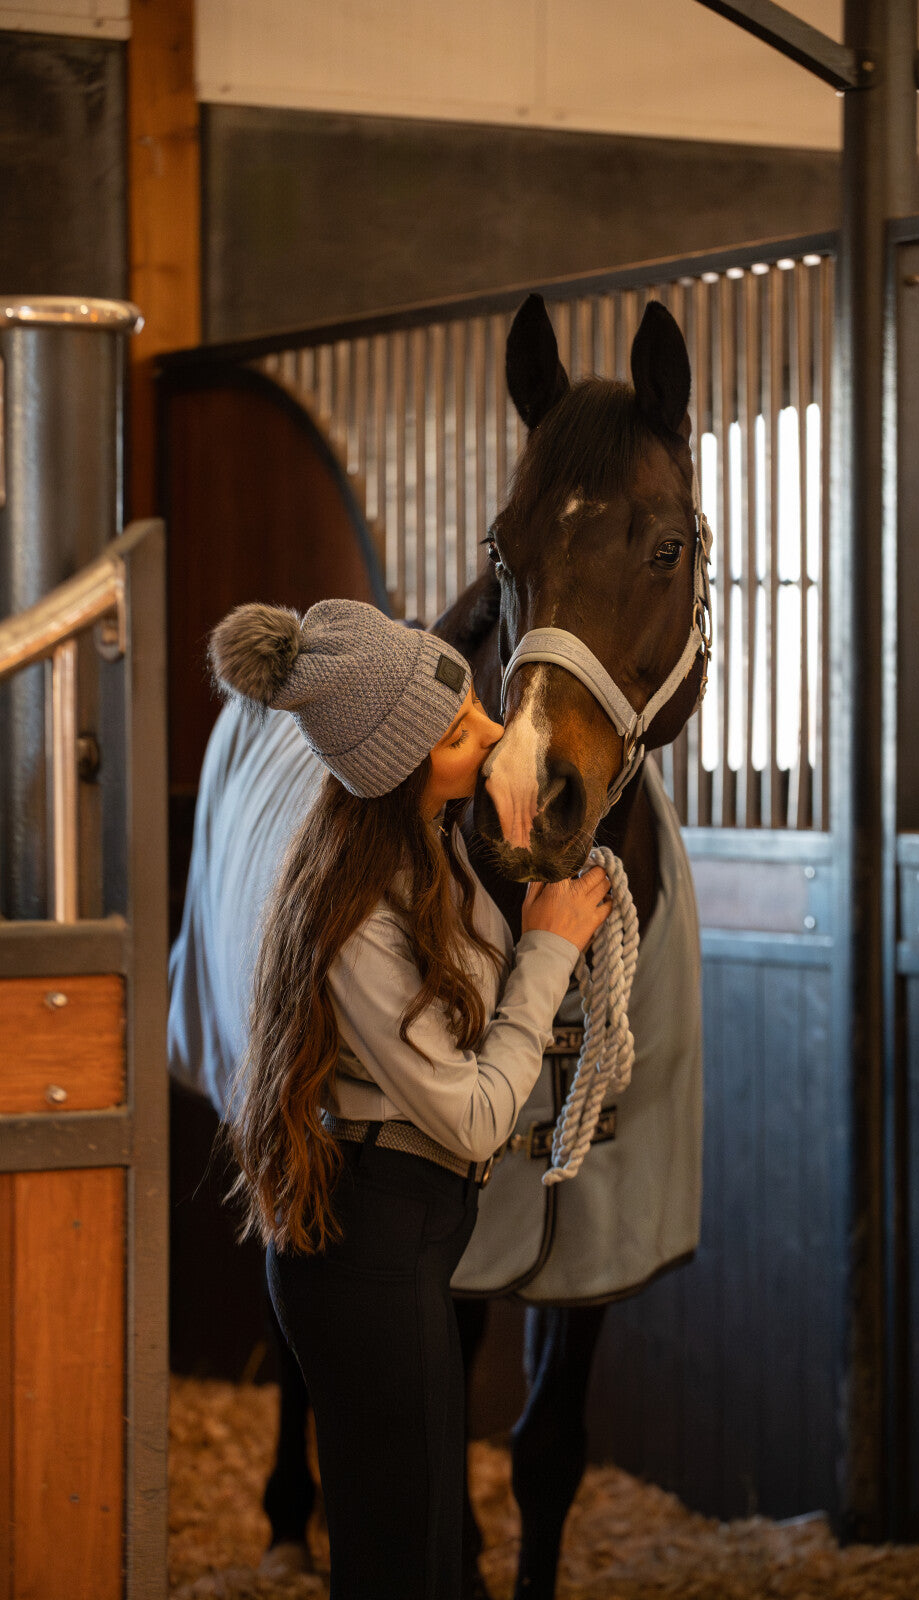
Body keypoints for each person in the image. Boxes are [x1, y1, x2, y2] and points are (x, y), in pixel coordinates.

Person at [208, 597, 611, 1600]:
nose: (489, 734)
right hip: (370, 1248)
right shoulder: (355, 920)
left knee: (430, 1544)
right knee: (400, 1562)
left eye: (477, 709)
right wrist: (551, 951)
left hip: (413, 1239)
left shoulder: (424, 850)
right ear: (395, 765)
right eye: (458, 732)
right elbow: (474, 1113)